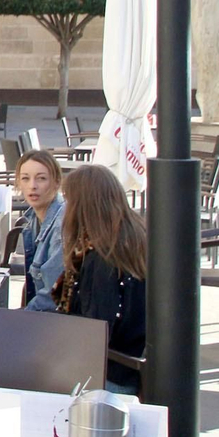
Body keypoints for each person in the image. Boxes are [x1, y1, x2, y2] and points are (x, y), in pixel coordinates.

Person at [47, 164, 147, 396]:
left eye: (69, 201)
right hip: (127, 363)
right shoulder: (133, 238)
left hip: (109, 375)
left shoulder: (102, 258)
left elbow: (93, 331)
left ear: (82, 206)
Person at [15, 150, 65, 307]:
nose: (32, 186)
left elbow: (52, 294)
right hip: (42, 312)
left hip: (57, 319)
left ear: (56, 182)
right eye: (25, 178)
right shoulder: (31, 219)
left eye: (41, 178)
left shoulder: (62, 224)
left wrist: (22, 317)